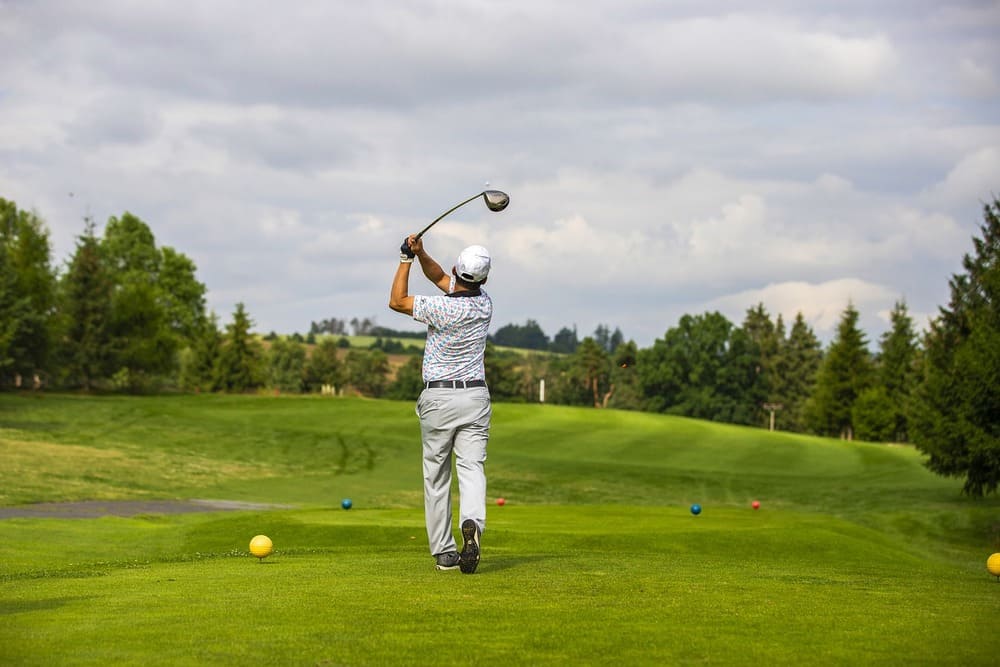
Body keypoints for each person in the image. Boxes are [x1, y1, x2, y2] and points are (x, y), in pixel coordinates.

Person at [389, 234, 493, 574]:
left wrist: (405, 260)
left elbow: (397, 301)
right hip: (475, 396)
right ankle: (473, 523)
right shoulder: (484, 304)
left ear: (457, 270)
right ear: (484, 279)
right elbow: (439, 278)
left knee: (436, 475)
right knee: (472, 467)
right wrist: (421, 254)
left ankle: (445, 553)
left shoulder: (442, 307)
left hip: (439, 398)